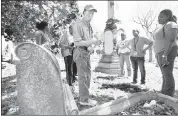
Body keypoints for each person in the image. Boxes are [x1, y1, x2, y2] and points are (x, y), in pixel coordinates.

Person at [72, 5, 101, 106]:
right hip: (80, 52)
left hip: (86, 53)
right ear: (83, 12)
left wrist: (91, 46)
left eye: (92, 13)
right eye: (89, 12)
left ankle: (84, 97)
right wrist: (92, 41)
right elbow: (78, 42)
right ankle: (83, 100)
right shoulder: (77, 24)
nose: (91, 15)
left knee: (88, 76)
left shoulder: (89, 26)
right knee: (83, 76)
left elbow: (87, 42)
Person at [153, 9, 178, 97]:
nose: (158, 19)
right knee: (164, 74)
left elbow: (171, 40)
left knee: (167, 73)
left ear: (167, 16)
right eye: (158, 17)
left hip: (166, 52)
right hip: (161, 52)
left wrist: (164, 55)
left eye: (161, 17)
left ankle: (168, 95)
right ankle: (164, 92)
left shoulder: (170, 24)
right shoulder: (164, 25)